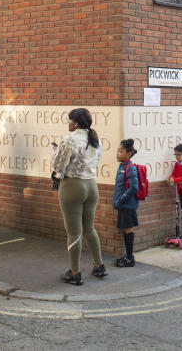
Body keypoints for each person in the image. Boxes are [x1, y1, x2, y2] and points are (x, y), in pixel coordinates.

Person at [52, 108, 106, 285]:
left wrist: (54, 152)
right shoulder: (96, 140)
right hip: (91, 185)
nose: (68, 124)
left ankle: (75, 273)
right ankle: (99, 265)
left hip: (73, 186)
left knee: (74, 232)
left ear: (75, 123)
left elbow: (58, 166)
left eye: (69, 120)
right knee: (89, 228)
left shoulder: (69, 140)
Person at [113, 138, 139, 268]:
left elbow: (134, 187)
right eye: (118, 151)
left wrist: (121, 199)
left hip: (127, 205)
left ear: (128, 154)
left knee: (128, 230)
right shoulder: (122, 166)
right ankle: (128, 256)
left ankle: (129, 258)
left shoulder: (130, 167)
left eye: (121, 151)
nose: (118, 153)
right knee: (125, 230)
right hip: (123, 205)